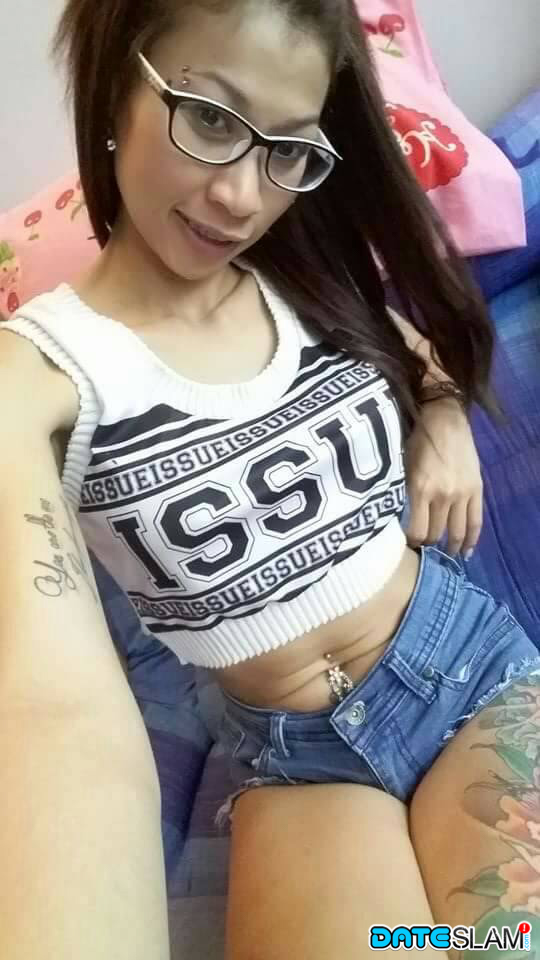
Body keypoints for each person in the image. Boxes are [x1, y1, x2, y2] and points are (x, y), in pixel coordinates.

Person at [2, 0, 539, 957]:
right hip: (300, 763)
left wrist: (445, 418)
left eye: (288, 149)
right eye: (212, 119)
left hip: (471, 671)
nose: (243, 197)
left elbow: (421, 359)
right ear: (117, 89)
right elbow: (51, 713)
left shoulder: (304, 278)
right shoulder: (40, 372)